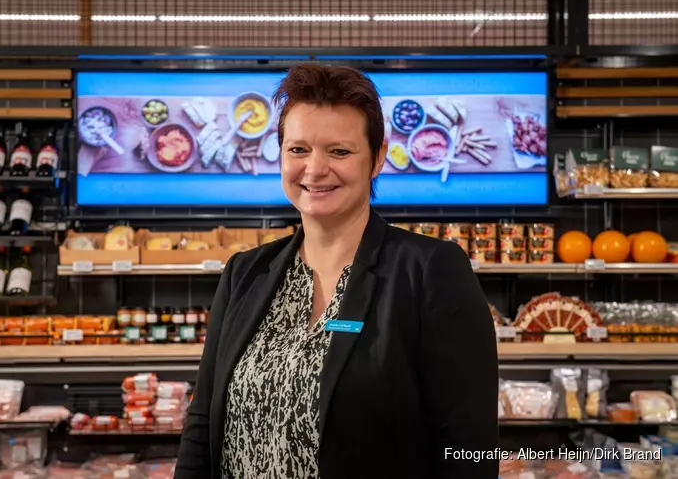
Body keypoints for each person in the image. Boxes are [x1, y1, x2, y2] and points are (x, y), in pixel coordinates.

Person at [175, 64, 499, 479]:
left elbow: (469, 450)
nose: (315, 168)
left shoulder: (431, 271)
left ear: (377, 158)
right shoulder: (245, 273)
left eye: (339, 151)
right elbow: (202, 426)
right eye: (298, 150)